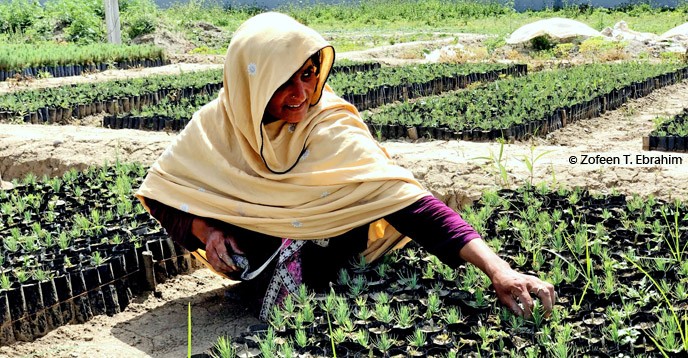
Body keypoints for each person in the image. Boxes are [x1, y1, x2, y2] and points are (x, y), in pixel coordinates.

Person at [135, 12, 555, 321]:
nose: (302, 92)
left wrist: (498, 269)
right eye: (285, 81)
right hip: (256, 259)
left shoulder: (329, 123)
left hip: (327, 252)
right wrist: (208, 231)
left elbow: (408, 202)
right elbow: (164, 194)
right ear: (253, 83)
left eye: (309, 74)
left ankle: (301, 289)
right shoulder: (216, 126)